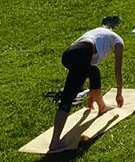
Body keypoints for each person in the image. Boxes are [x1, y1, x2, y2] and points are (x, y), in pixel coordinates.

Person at [48, 19, 125, 153]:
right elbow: (117, 71)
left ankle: (102, 106)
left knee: (94, 72)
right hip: (80, 53)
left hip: (69, 54)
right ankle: (55, 141)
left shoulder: (100, 34)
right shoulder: (118, 41)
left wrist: (92, 94)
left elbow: (87, 66)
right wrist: (119, 93)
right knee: (68, 97)